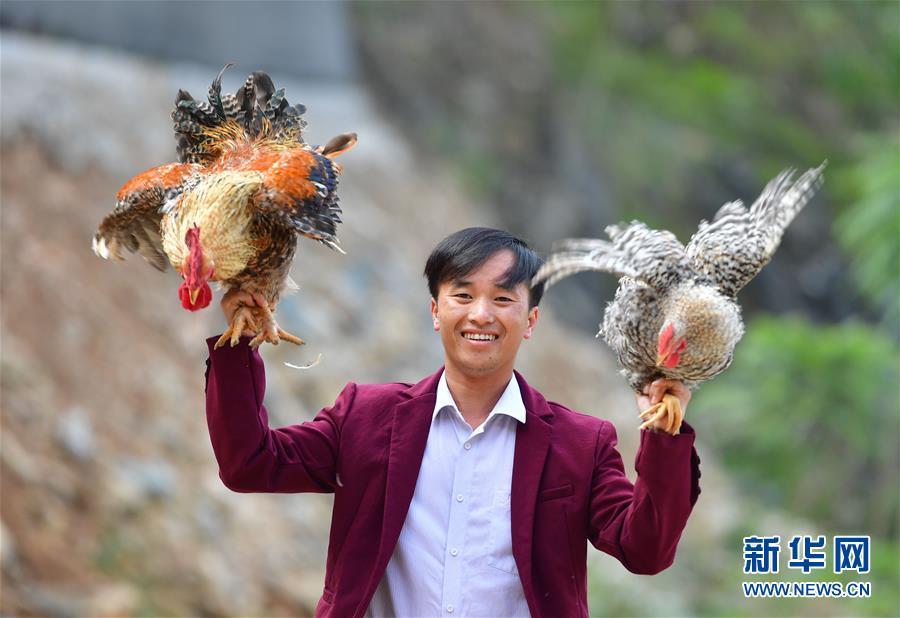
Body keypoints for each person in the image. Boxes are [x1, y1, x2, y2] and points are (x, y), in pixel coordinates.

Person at [204, 227, 701, 618]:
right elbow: (250, 464)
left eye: (504, 299)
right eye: (462, 296)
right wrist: (238, 343)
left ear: (530, 321)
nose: (481, 314)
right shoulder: (366, 417)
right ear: (435, 311)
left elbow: (647, 549)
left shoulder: (579, 443)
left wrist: (664, 430)